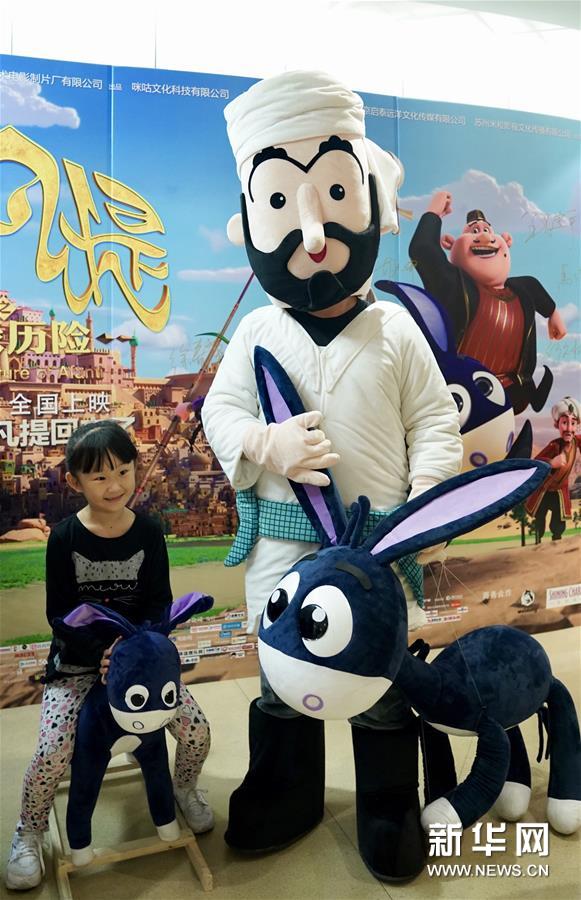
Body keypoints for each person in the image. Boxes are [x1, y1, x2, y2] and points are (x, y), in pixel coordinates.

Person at [202, 70, 463, 881]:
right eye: (281, 204)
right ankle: (284, 791)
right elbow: (220, 413)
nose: (312, 235)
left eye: (333, 196)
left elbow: (435, 423)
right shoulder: (255, 332)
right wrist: (265, 444)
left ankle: (386, 805)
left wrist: (423, 506)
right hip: (284, 549)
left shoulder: (393, 328)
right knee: (281, 678)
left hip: (378, 548)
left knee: (380, 685)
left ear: (369, 201)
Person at [4, 420, 213, 892]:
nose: (115, 484)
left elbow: (159, 603)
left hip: (139, 663)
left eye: (123, 471)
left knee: (197, 730)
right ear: (75, 481)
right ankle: (29, 830)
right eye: (100, 476)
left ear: (135, 468)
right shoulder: (64, 538)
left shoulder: (149, 532)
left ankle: (183, 788)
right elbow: (61, 615)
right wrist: (101, 653)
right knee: (52, 751)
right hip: (78, 666)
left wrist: (132, 652)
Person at [409, 193, 567, 414]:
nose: (484, 236)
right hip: (461, 396)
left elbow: (533, 287)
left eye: (487, 230)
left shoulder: (521, 289)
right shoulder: (454, 286)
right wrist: (433, 214)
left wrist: (553, 314)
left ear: (506, 242)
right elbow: (423, 251)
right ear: (450, 245)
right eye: (473, 231)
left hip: (511, 394)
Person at [525, 396, 580, 542]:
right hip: (545, 490)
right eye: (564, 423)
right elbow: (536, 462)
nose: (569, 428)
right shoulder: (554, 446)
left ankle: (557, 543)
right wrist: (551, 463)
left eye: (573, 423)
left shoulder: (576, 442)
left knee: (558, 520)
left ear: (577, 425)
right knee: (540, 518)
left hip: (559, 492)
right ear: (557, 425)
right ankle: (537, 543)